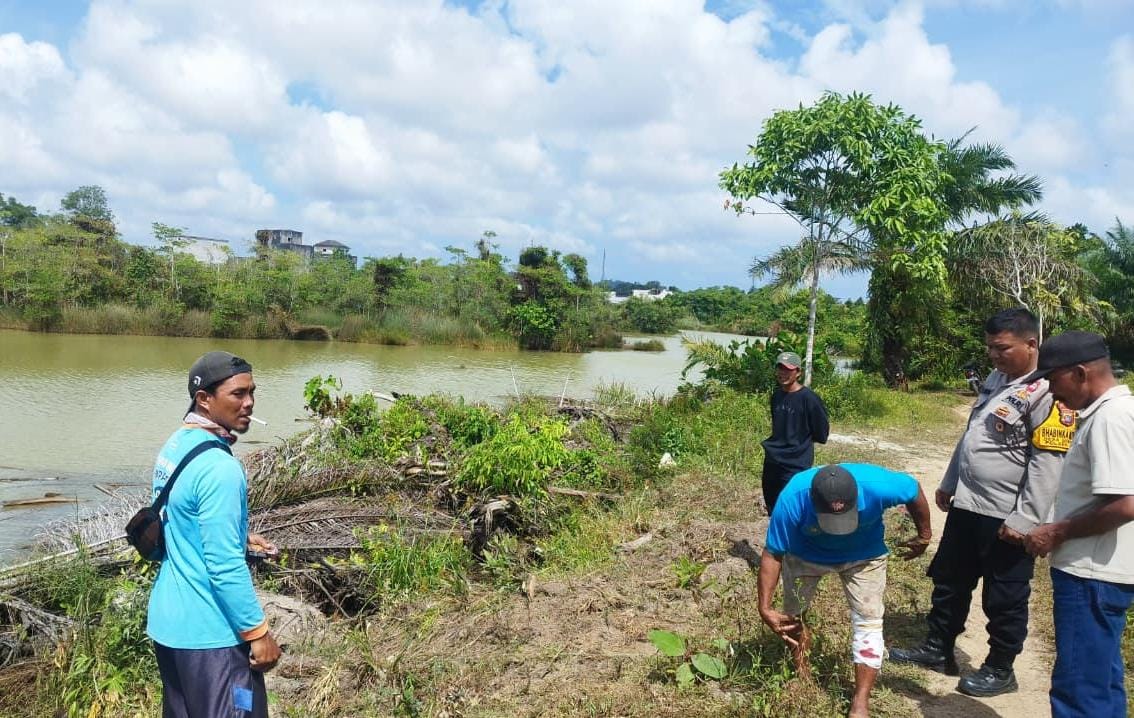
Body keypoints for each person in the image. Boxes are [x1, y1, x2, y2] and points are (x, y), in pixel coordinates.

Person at [889, 308, 1073, 697]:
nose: (993, 355)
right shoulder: (997, 379)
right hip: (968, 505)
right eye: (990, 347)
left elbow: (1047, 465)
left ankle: (1001, 668)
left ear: (1031, 344)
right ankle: (938, 648)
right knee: (950, 580)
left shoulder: (1048, 392)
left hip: (1006, 514)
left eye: (1001, 348)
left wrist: (1025, 519)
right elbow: (974, 431)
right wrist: (950, 479)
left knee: (1004, 595)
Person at [147, 351, 281, 718]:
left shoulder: (176, 446)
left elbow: (173, 520)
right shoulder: (221, 469)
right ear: (204, 399)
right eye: (237, 394)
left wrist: (239, 537)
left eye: (252, 392)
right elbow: (223, 567)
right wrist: (257, 633)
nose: (249, 403)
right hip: (211, 635)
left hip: (169, 626)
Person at [758, 463, 932, 718]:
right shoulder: (793, 498)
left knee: (869, 621)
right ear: (813, 502)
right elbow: (773, 552)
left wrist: (924, 535)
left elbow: (914, 490)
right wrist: (764, 607)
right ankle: (802, 673)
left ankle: (861, 702)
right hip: (806, 556)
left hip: (865, 556)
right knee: (792, 618)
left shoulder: (879, 486)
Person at [1022, 331, 1134, 718]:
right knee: (1099, 679)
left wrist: (1057, 531)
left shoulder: (1111, 418)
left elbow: (1125, 504)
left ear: (1080, 373)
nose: (1052, 393)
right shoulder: (1111, 413)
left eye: (1054, 380)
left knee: (1080, 688)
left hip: (1092, 575)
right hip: (1098, 573)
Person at [761, 350, 830, 513]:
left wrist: (800, 443)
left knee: (792, 508)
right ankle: (776, 537)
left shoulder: (809, 399)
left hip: (795, 463)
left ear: (798, 372)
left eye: (788, 369)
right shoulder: (776, 396)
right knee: (772, 505)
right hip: (773, 460)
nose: (782, 373)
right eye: (780, 368)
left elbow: (821, 433)